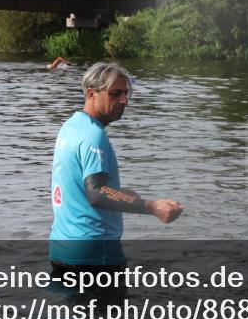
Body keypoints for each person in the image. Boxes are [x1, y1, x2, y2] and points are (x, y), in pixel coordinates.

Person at [49, 62, 183, 289]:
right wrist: (151, 206)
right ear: (92, 94)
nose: (124, 100)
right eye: (115, 94)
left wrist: (121, 194)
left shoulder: (70, 127)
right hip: (94, 256)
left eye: (125, 93)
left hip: (62, 251)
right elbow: (97, 193)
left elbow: (78, 188)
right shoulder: (94, 136)